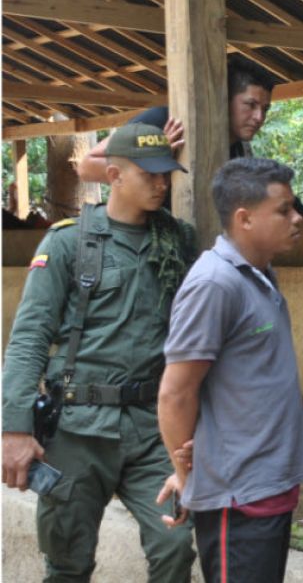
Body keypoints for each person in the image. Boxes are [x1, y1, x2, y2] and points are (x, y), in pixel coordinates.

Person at [1, 122, 197, 581]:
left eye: (165, 172)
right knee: (67, 562)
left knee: (174, 549)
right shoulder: (68, 242)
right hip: (77, 428)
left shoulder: (178, 242)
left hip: (152, 430)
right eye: (148, 173)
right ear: (113, 176)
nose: (161, 182)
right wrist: (14, 428)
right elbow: (29, 337)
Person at [155, 157, 303, 583]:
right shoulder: (214, 284)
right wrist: (186, 474)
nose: (297, 219)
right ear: (244, 218)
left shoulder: (258, 275)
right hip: (237, 500)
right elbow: (176, 393)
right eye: (283, 210)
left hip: (268, 490)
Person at [77, 56, 275, 182]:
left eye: (265, 109)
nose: (259, 117)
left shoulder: (239, 152)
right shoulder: (164, 120)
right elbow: (87, 166)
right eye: (250, 105)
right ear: (225, 100)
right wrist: (153, 158)